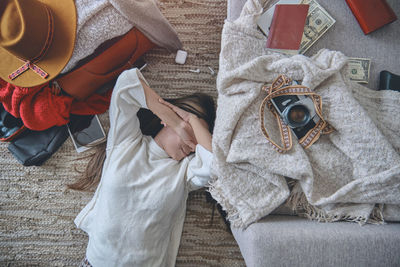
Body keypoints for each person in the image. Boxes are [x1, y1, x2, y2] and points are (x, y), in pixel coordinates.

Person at [71, 68, 216, 267]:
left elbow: (215, 167)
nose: (193, 146)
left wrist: (192, 122)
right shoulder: (126, 143)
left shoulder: (184, 175)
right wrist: (178, 122)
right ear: (167, 120)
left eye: (199, 139)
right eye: (192, 133)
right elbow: (126, 85)